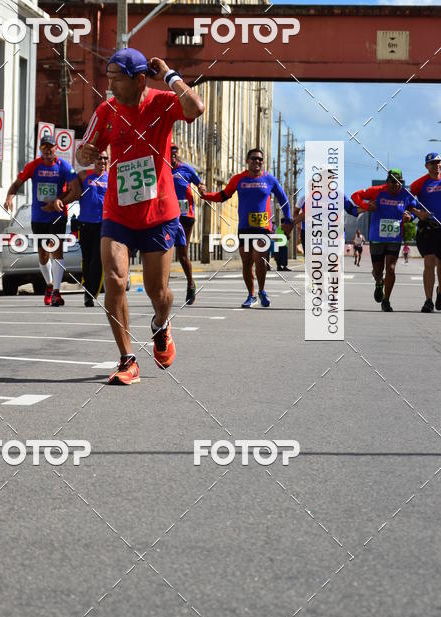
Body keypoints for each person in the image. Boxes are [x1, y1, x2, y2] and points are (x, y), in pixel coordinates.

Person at [78, 47, 204, 385]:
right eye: (109, 80)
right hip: (118, 211)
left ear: (138, 79)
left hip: (159, 213)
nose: (111, 87)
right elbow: (82, 152)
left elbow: (196, 107)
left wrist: (170, 74)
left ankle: (161, 325)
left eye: (117, 80)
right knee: (116, 280)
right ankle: (127, 359)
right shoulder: (106, 110)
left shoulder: (162, 103)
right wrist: (85, 152)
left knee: (157, 291)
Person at [201, 149, 293, 308]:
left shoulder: (269, 179)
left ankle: (262, 290)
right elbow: (223, 195)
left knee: (260, 260)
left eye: (260, 159)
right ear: (247, 160)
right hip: (244, 227)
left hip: (263, 228)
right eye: (254, 159)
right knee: (247, 262)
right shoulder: (238, 179)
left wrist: (287, 218)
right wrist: (206, 195)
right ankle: (251, 295)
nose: (257, 162)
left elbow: (283, 199)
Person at [3, 134, 78, 306]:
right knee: (43, 254)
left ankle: (57, 292)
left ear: (55, 148)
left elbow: (76, 190)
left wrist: (59, 200)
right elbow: (16, 185)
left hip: (58, 215)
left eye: (50, 147)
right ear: (40, 149)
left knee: (57, 251)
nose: (47, 150)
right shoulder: (33, 166)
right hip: (38, 217)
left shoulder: (64, 166)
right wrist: (9, 197)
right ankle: (49, 285)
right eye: (44, 147)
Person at [351, 169, 418, 312]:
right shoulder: (377, 191)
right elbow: (355, 195)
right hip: (377, 237)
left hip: (395, 237)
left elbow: (416, 209)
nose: (396, 186)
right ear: (387, 182)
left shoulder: (406, 194)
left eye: (399, 182)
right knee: (377, 270)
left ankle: (386, 300)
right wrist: (366, 206)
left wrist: (410, 217)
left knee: (391, 269)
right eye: (393, 182)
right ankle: (379, 283)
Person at [71, 151, 109, 307]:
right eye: (100, 158)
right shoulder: (83, 175)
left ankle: (91, 292)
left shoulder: (112, 178)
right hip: (85, 223)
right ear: (94, 160)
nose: (103, 161)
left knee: (98, 259)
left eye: (106, 158)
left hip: (104, 224)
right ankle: (87, 290)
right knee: (86, 259)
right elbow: (72, 192)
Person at [170, 144, 206, 304]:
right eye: (169, 153)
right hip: (168, 216)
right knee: (164, 251)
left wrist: (203, 189)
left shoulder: (186, 169)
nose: (172, 157)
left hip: (185, 216)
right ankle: (162, 288)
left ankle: (191, 284)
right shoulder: (161, 169)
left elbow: (200, 183)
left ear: (177, 155)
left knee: (182, 255)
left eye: (174, 154)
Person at [409, 151, 441, 313]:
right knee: (429, 262)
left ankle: (440, 292)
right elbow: (406, 201)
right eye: (433, 163)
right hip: (428, 228)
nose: (436, 166)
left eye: (438, 162)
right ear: (426, 166)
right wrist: (417, 213)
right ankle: (428, 300)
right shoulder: (419, 183)